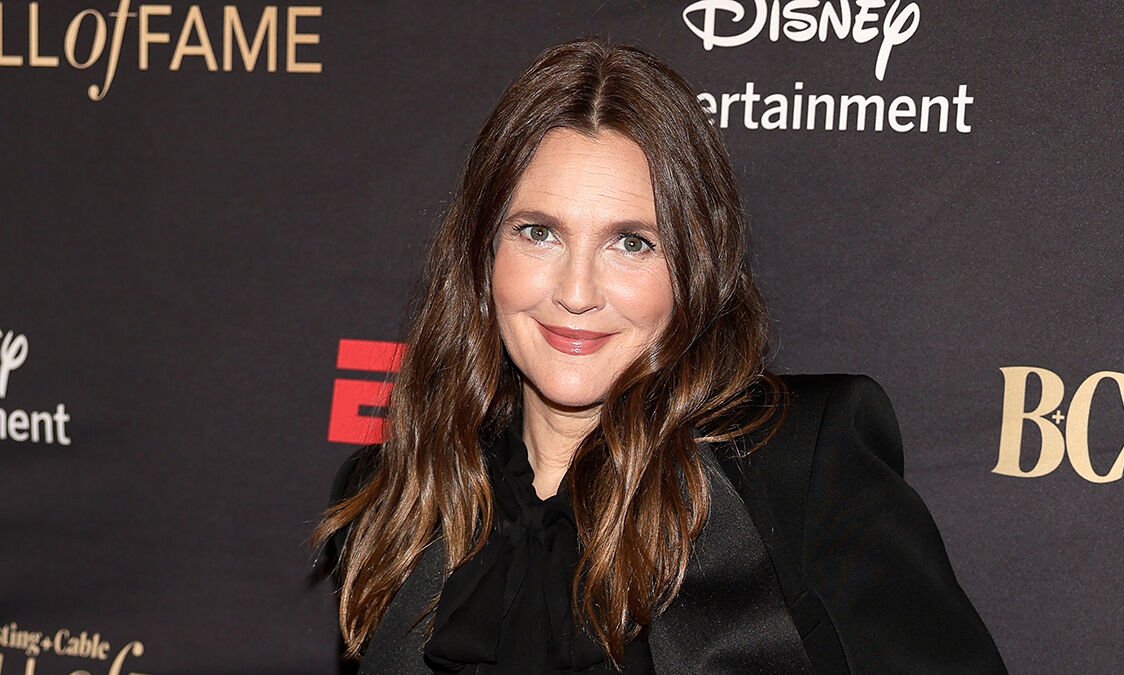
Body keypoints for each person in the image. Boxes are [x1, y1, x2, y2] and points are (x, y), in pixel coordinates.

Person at [314, 38, 1006, 674]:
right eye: (539, 232)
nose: (576, 293)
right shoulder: (396, 497)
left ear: (694, 269)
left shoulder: (799, 468)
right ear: (483, 252)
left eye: (632, 243)